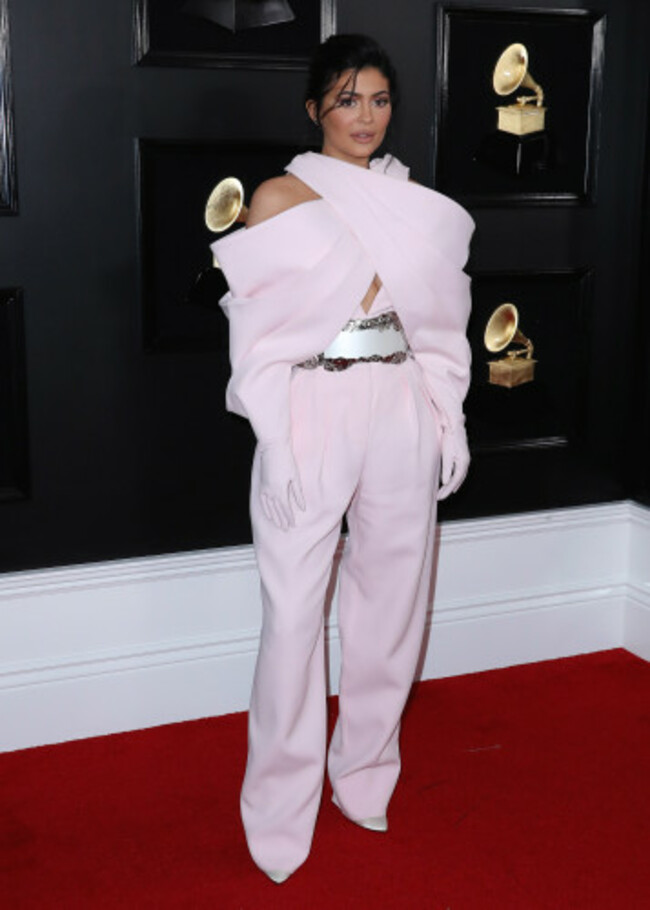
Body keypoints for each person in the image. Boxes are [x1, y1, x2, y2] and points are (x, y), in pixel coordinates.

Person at [212, 33, 474, 884]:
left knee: (391, 608)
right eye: (348, 100)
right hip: (313, 406)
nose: (366, 117)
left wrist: (448, 416)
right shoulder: (280, 198)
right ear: (315, 108)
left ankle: (364, 776)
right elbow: (253, 344)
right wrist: (276, 439)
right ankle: (277, 809)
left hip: (400, 405)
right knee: (294, 617)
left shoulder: (414, 204)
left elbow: (439, 327)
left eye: (380, 99)